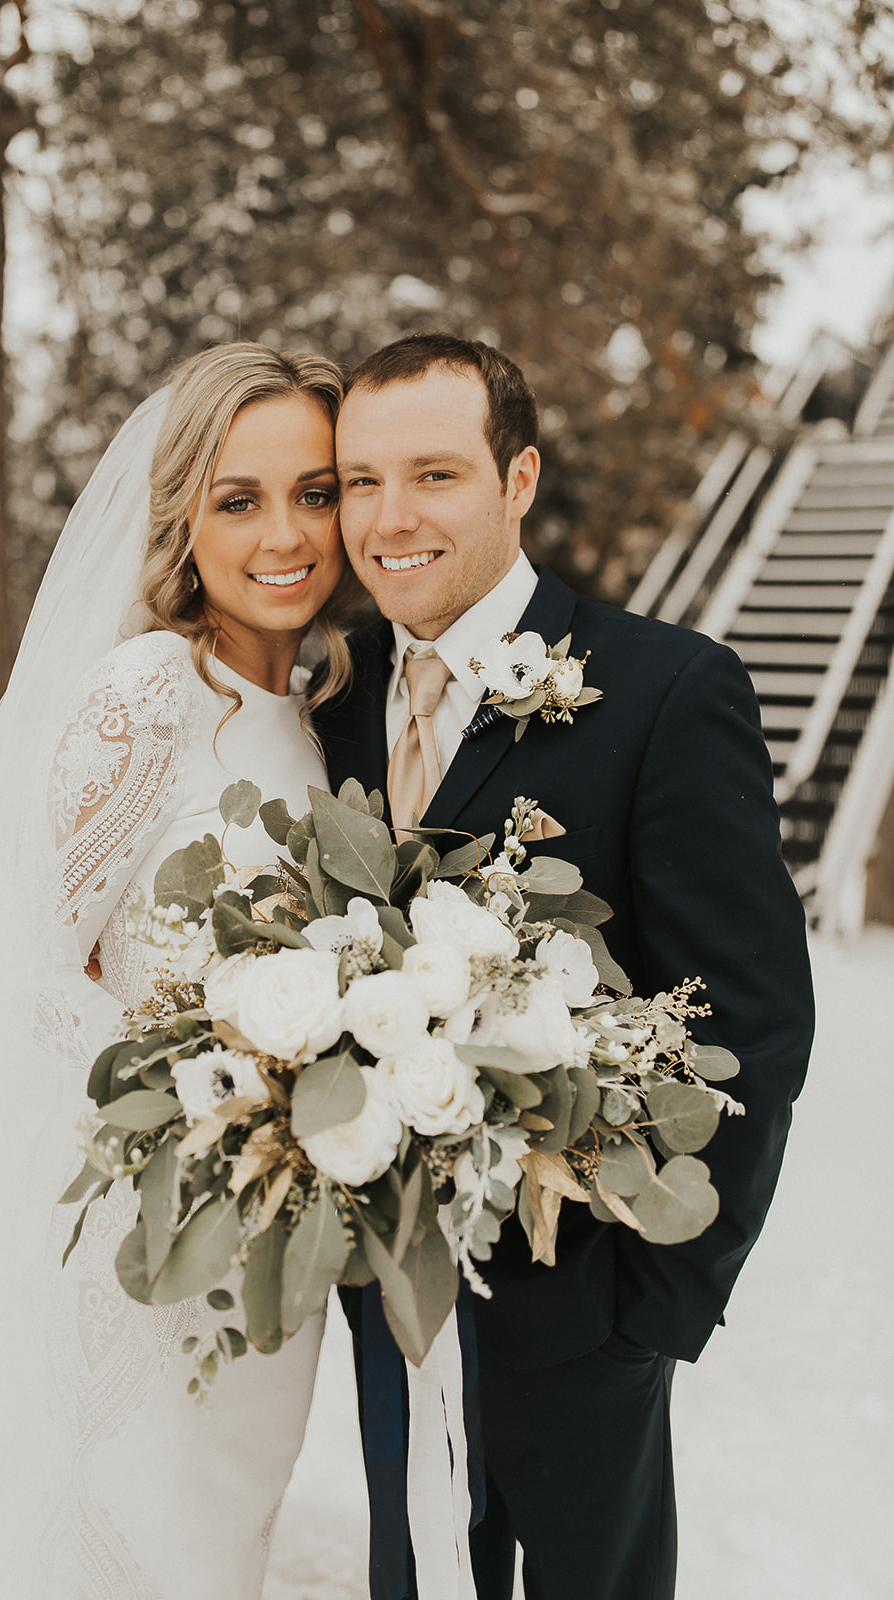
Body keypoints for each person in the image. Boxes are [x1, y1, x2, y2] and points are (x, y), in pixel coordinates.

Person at [0, 342, 361, 1598]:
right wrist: (214, 1106)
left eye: (314, 493)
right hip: (144, 1234)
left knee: (220, 1539)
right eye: (238, 499)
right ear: (183, 517)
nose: (284, 534)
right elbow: (26, 962)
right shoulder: (146, 692)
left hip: (270, 1242)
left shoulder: (319, 713)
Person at [313, 332, 814, 1600]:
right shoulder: (331, 698)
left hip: (583, 1316)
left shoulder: (663, 689)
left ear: (517, 478)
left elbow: (752, 1020)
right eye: (361, 481)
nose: (388, 518)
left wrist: (650, 1305)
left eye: (433, 474)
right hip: (388, 1303)